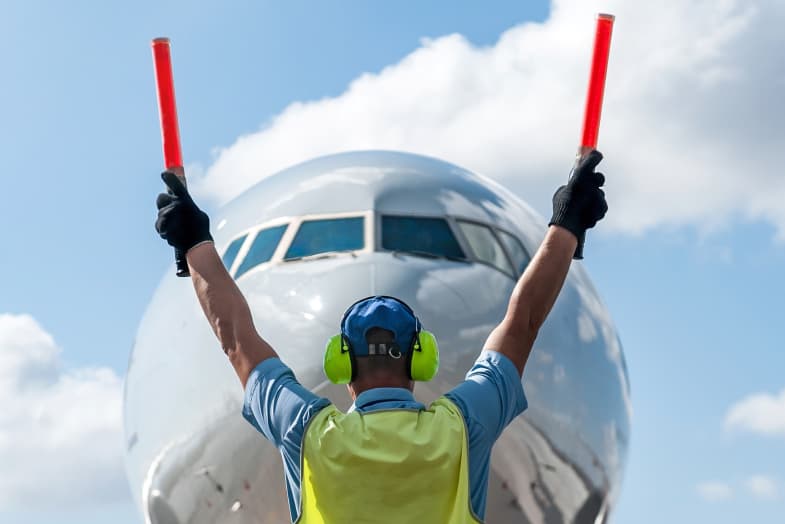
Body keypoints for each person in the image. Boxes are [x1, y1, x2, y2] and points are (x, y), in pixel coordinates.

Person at [154, 150, 608, 523]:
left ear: (341, 362)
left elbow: (235, 337)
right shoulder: (458, 430)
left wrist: (194, 243)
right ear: (420, 359)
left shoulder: (309, 433)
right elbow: (523, 319)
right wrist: (566, 225)